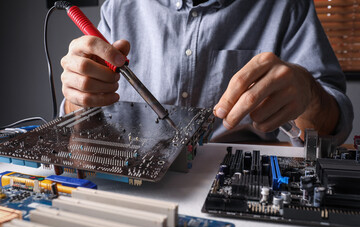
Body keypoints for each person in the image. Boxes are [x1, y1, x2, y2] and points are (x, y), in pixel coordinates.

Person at [60, 0, 353, 146]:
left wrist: (310, 95)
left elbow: (331, 130)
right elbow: (78, 124)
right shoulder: (119, 5)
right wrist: (79, 99)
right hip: (136, 180)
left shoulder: (286, 6)